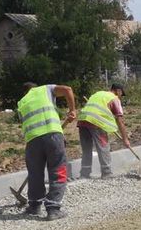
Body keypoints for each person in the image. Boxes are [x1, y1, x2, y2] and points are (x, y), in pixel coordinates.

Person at [17, 82, 76, 220]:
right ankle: (53, 208)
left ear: (25, 92)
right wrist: (72, 110)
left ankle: (34, 206)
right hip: (52, 135)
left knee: (35, 173)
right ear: (35, 87)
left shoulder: (21, 102)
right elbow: (68, 89)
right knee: (57, 169)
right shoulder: (45, 89)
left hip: (32, 140)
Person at [77, 83, 130, 178]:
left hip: (82, 120)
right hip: (97, 122)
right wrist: (125, 139)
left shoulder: (98, 94)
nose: (120, 97)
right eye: (121, 94)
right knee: (103, 146)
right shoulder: (114, 98)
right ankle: (106, 172)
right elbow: (120, 121)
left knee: (86, 148)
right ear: (118, 91)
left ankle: (84, 173)